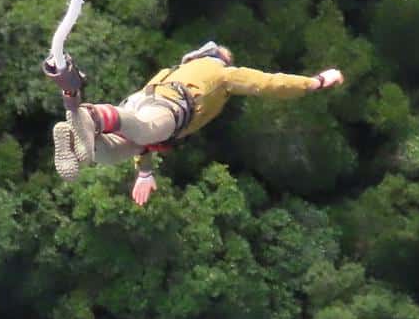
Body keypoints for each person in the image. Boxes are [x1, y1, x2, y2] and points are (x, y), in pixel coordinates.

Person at [45, 42, 345, 206]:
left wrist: (145, 172)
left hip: (143, 106)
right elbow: (269, 84)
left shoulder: (175, 69)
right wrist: (315, 83)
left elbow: (140, 124)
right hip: (170, 109)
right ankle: (91, 117)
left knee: (109, 153)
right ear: (218, 58)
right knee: (149, 130)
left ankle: (76, 139)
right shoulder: (222, 73)